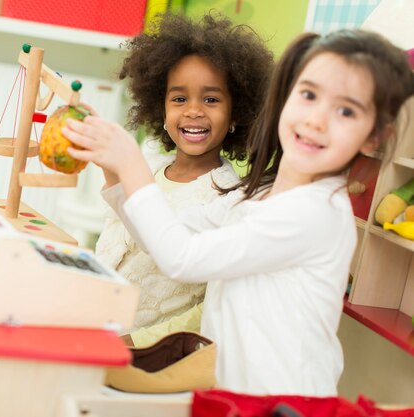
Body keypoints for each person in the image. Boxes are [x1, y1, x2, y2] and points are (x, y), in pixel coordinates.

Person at [63, 29, 414, 395]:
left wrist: (130, 161)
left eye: (346, 111)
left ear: (374, 136)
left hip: (281, 402)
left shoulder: (315, 213)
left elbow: (182, 258)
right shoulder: (256, 194)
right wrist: (113, 167)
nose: (317, 119)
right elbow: (160, 236)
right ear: (285, 97)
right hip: (230, 392)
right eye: (309, 95)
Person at [94, 12, 274, 338]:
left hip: (146, 356)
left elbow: (207, 310)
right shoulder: (146, 171)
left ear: (236, 115)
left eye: (211, 99)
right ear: (161, 109)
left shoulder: (230, 197)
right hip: (92, 326)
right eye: (179, 98)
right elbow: (114, 245)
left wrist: (136, 343)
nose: (193, 110)